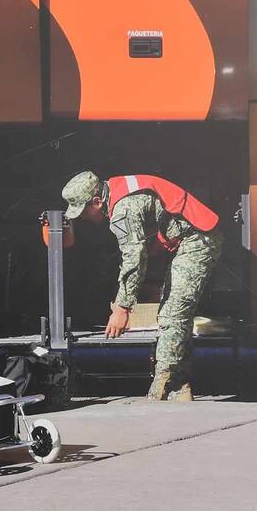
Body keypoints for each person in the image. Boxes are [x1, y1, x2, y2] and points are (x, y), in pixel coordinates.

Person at [61, 170, 222, 401]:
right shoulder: (115, 190)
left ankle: (161, 388)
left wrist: (122, 308)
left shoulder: (122, 210)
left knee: (172, 314)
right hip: (191, 237)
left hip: (198, 240)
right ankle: (179, 386)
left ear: (97, 202)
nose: (83, 218)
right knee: (175, 313)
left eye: (83, 211)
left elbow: (134, 258)